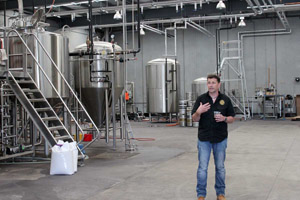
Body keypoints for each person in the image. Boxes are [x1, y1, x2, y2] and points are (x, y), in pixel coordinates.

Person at [192, 74, 235, 200]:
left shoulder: (225, 100)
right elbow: (194, 119)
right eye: (209, 82)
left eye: (213, 82)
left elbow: (232, 118)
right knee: (202, 168)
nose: (210, 85)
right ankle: (201, 195)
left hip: (220, 138)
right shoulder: (201, 99)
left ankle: (220, 194)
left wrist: (224, 118)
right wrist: (199, 111)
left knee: (220, 167)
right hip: (204, 139)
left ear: (219, 84)